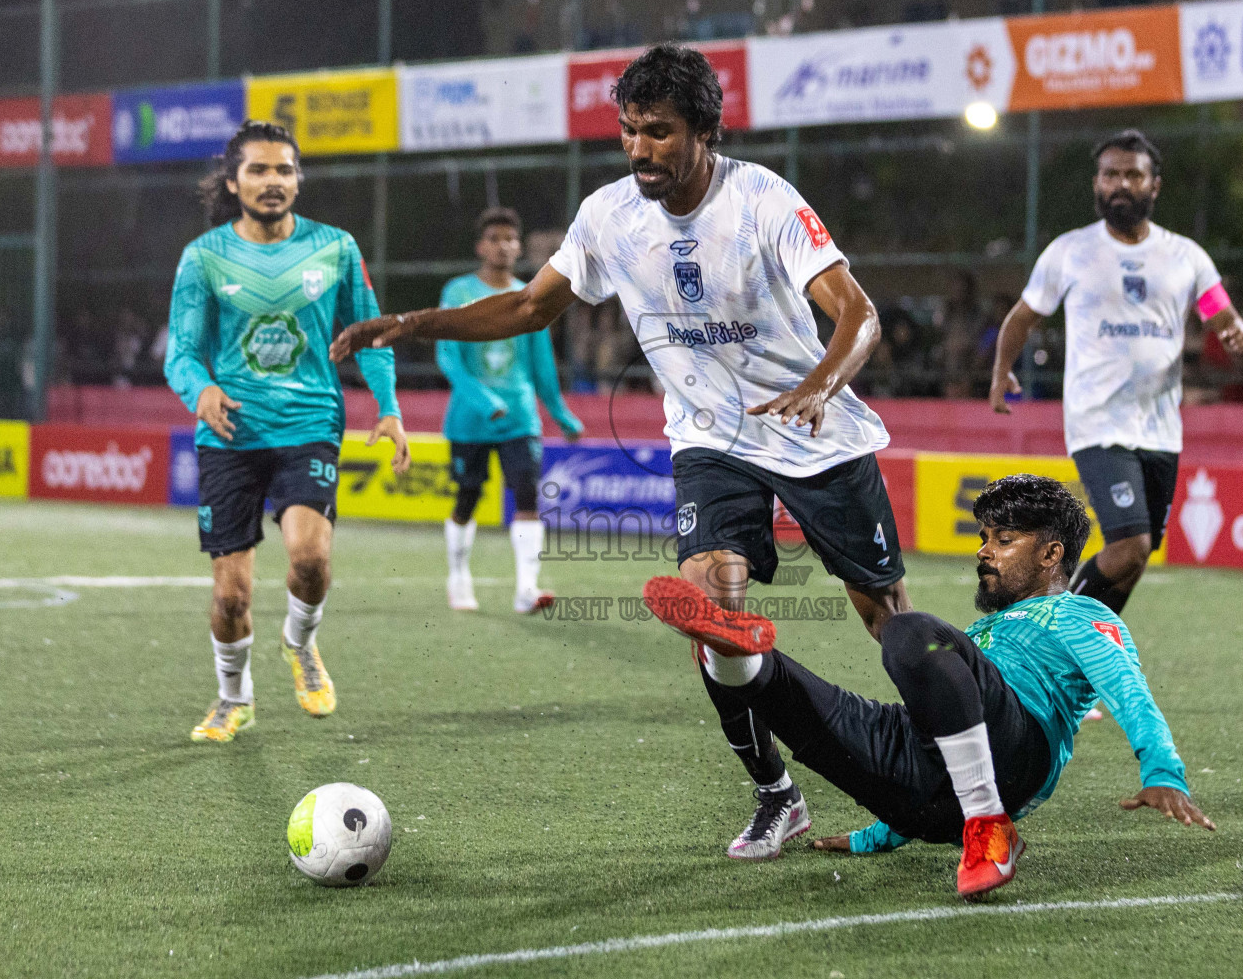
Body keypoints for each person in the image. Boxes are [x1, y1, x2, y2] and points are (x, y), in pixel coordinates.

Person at [332, 43, 911, 860]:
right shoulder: (608, 216)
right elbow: (533, 306)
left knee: (885, 615)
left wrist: (819, 385)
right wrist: (418, 324)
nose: (640, 150)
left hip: (816, 433)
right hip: (710, 439)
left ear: (704, 130)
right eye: (630, 131)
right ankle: (775, 792)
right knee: (711, 606)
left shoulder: (764, 202)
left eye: (660, 133)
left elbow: (858, 315)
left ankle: (945, 755)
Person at [642, 473, 1213, 897]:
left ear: (1051, 553)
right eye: (984, 537)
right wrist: (876, 836)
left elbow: (1125, 686)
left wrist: (1162, 770)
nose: (984, 551)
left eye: (1003, 540)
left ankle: (990, 828)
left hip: (1018, 753)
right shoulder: (982, 632)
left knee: (912, 631)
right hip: (927, 800)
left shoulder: (1080, 616)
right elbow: (943, 735)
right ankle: (731, 649)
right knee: (767, 680)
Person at [166, 120, 410, 743]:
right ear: (233, 180)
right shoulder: (203, 257)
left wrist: (388, 407)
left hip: (308, 425)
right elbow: (182, 354)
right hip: (228, 436)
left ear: (299, 178)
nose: (272, 181)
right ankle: (233, 698)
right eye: (258, 170)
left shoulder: (336, 248)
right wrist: (202, 391)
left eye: (283, 170)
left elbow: (371, 335)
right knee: (231, 597)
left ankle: (300, 644)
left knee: (310, 559)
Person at [989, 129, 1243, 617]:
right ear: (1097, 183)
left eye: (1133, 175)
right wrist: (1002, 370)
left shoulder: (1186, 255)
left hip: (1161, 428)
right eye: (1111, 174)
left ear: (1155, 185)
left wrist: (1233, 327)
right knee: (1129, 544)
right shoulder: (1070, 251)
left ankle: (1085, 663)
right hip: (1098, 422)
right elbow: (1023, 316)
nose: (1121, 184)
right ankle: (1053, 633)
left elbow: (1218, 306)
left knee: (1139, 554)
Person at [438, 206, 585, 614]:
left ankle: (526, 589)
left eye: (510, 239)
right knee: (468, 498)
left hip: (520, 418)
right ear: (480, 246)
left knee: (526, 496)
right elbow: (448, 357)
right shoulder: (458, 293)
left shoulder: (530, 295)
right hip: (470, 420)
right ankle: (458, 575)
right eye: (495, 239)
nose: (503, 246)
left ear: (519, 246)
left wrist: (560, 414)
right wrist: (484, 401)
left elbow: (542, 365)